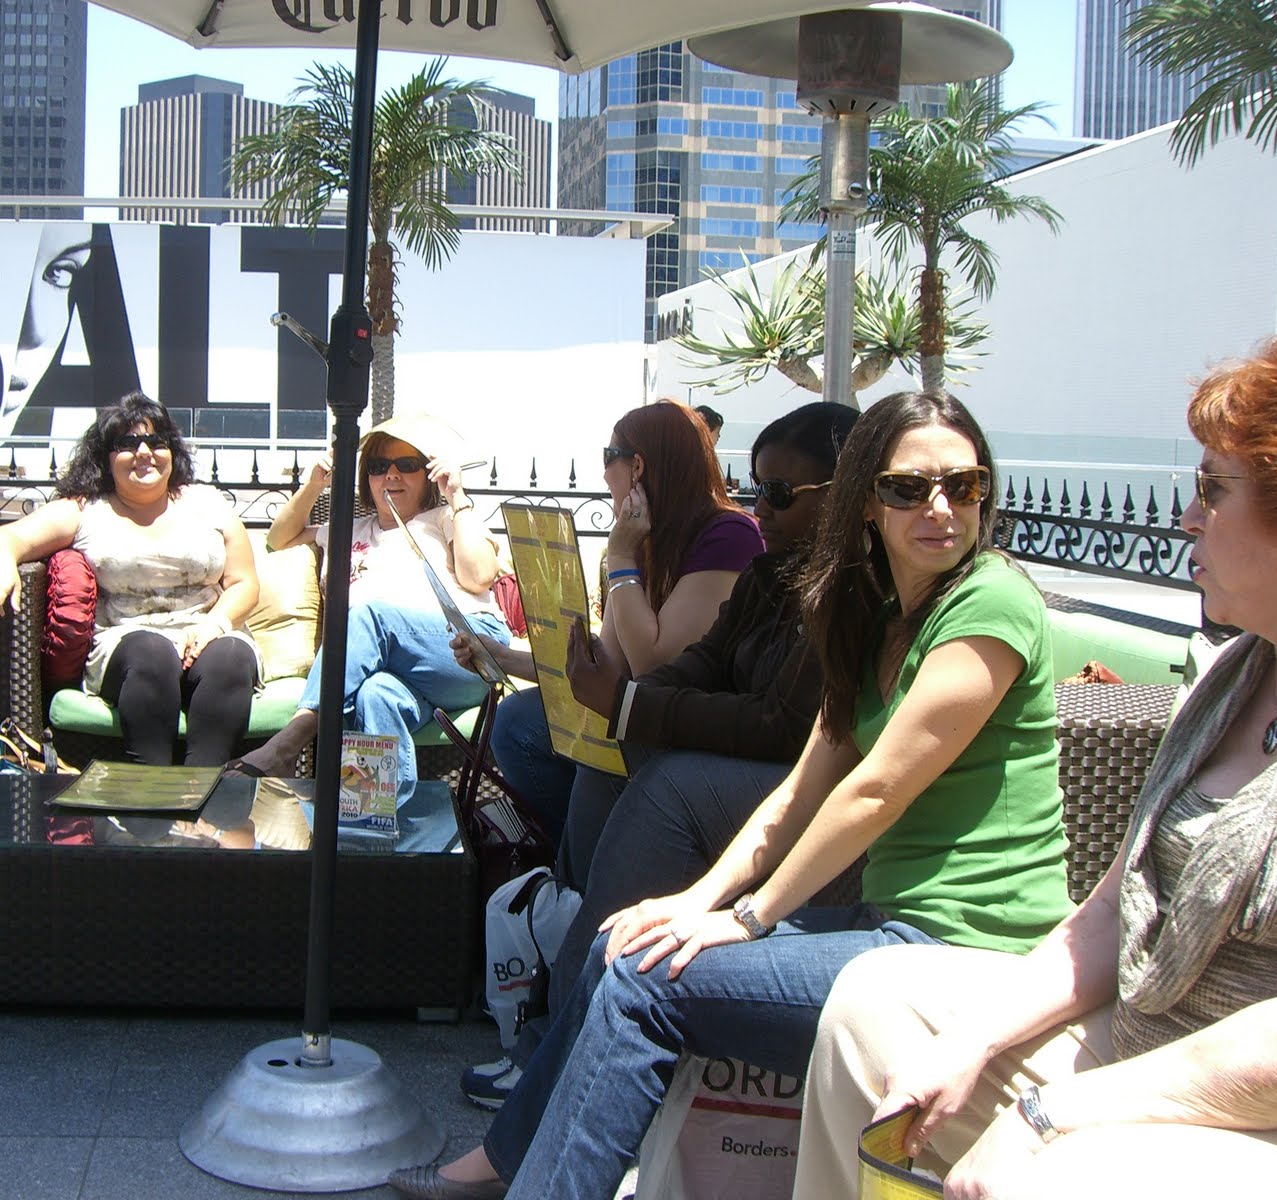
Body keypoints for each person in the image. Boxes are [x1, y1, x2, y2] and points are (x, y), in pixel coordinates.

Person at [390, 390, 1073, 1200]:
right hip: (887, 926)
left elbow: (874, 791)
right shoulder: (876, 614)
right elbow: (801, 788)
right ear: (866, 501)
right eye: (908, 487)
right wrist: (694, 904)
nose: (940, 508)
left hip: (964, 953)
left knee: (645, 979)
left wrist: (745, 918)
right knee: (629, 945)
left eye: (963, 485)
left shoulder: (989, 601)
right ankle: (515, 1160)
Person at [795, 332, 1277, 1199]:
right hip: (1146, 1033)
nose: (1187, 519)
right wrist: (971, 1043)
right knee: (869, 1013)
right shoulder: (1232, 680)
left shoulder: (988, 604)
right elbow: (1111, 909)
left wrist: (1046, 1115)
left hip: (1268, 1109)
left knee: (1059, 1169)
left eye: (1214, 490)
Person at [459, 401, 858, 1111]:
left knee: (647, 774)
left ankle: (559, 1022)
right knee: (556, 733)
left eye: (777, 492)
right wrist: (532, 662)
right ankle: (573, 960)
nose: (760, 508)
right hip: (726, 754)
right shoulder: (772, 573)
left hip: (790, 781)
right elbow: (666, 668)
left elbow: (756, 713)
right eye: (755, 486)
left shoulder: (760, 554)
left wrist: (620, 569)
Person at [476, 400, 762, 840]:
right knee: (516, 721)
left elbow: (655, 667)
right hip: (640, 713)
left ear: (638, 466)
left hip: (693, 725)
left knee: (596, 750)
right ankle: (567, 853)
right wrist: (501, 656)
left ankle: (587, 865)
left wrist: (622, 556)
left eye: (609, 457)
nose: (605, 474)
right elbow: (610, 661)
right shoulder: (647, 540)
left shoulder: (728, 534)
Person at [235, 413, 509, 807]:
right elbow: (279, 540)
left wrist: (457, 497)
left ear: (427, 474)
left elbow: (479, 576)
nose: (391, 475)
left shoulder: (444, 518)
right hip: (400, 669)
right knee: (375, 695)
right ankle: (378, 820)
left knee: (370, 615)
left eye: (407, 465)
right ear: (367, 478)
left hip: (469, 651)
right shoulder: (348, 529)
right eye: (379, 467)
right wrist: (314, 486)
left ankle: (291, 740)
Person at [0, 391, 262, 766]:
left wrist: (215, 624)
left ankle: (206, 788)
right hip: (127, 643)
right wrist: (3, 562)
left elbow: (244, 583)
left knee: (231, 655)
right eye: (127, 444)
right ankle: (149, 790)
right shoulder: (86, 510)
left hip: (207, 633)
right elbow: (6, 539)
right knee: (152, 653)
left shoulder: (207, 502)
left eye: (156, 442)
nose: (144, 452)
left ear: (171, 451)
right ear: (105, 457)